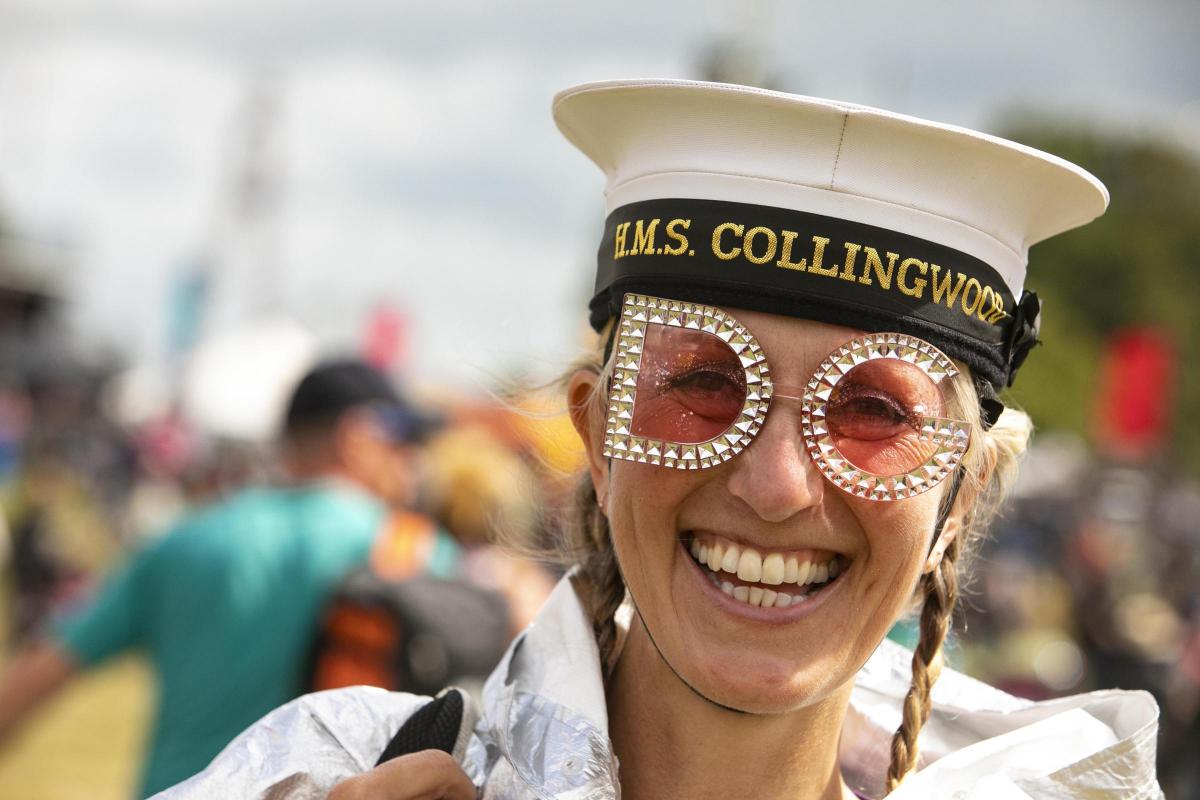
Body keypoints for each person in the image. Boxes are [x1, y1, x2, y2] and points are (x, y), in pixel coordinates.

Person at [159, 81, 1163, 799]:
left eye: (874, 412)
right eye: (703, 385)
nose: (775, 486)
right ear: (597, 432)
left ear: (963, 496)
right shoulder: (333, 770)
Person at [0, 357, 447, 797]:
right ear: (356, 436)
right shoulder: (411, 550)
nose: (415, 462)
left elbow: (30, 680)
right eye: (405, 440)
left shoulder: (188, 539)